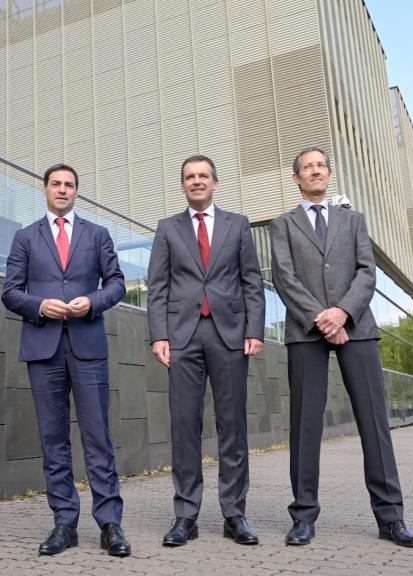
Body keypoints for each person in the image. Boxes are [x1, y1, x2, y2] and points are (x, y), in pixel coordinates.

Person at [270, 147, 413, 548]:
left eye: (321, 166)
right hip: (307, 332)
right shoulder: (283, 225)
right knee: (305, 425)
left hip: (356, 327)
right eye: (308, 167)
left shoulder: (353, 220)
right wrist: (322, 318)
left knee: (374, 423)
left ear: (329, 174)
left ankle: (391, 518)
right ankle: (303, 516)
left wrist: (342, 313)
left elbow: (367, 271)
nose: (316, 171)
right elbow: (284, 278)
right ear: (297, 178)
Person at [1, 164, 132, 557]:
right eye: (56, 184)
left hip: (87, 347)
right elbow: (10, 291)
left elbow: (117, 284)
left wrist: (91, 301)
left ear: (77, 191)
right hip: (43, 349)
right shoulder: (25, 237)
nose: (62, 190)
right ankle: (64, 523)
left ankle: (110, 523)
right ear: (44, 190)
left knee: (98, 439)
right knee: (53, 440)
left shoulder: (98, 234)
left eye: (69, 185)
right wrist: (40, 305)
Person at [147, 155, 266, 546]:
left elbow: (252, 281)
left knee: (233, 426)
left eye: (203, 176)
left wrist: (254, 329)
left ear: (216, 183)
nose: (196, 181)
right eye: (189, 177)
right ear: (182, 185)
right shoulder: (167, 228)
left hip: (229, 334)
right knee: (184, 426)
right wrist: (158, 335)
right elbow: (158, 287)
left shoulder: (238, 225)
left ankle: (235, 514)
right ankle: (186, 516)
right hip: (181, 337)